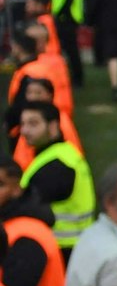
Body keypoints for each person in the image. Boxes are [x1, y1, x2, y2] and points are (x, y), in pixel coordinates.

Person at [17, 104, 94, 254]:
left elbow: (24, 206)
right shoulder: (64, 154)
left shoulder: (56, 166)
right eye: (23, 124)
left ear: (53, 126)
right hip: (73, 245)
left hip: (61, 249)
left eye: (33, 124)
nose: (24, 131)